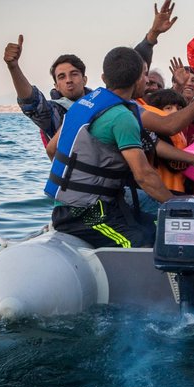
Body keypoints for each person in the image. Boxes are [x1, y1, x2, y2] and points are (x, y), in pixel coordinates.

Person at [44, 47, 174, 248]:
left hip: (91, 206)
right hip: (82, 213)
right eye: (145, 75)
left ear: (105, 77)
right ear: (138, 79)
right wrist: (178, 205)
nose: (147, 81)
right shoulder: (123, 117)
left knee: (157, 226)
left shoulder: (84, 104)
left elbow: (52, 149)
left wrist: (73, 180)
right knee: (141, 244)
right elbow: (144, 176)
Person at [4, 0, 178, 146]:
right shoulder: (54, 113)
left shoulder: (100, 99)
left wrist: (152, 35)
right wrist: (13, 67)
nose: (69, 80)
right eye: (62, 77)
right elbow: (31, 102)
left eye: (74, 74)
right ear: (56, 84)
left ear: (85, 79)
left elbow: (129, 68)